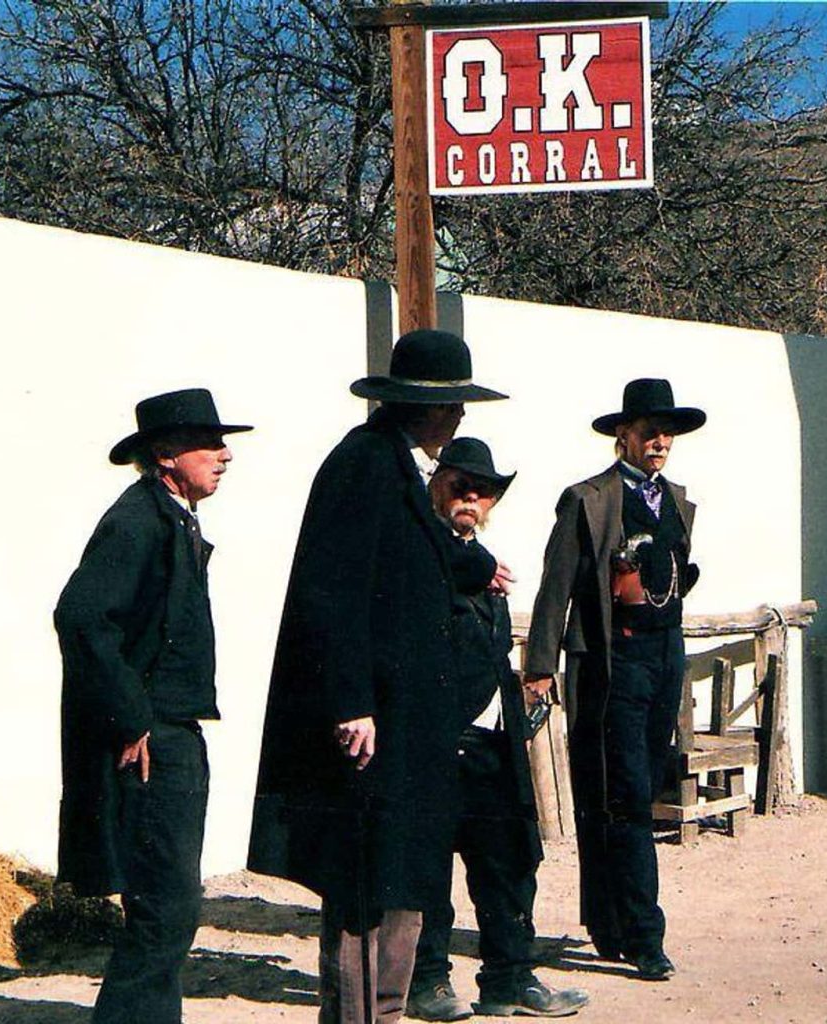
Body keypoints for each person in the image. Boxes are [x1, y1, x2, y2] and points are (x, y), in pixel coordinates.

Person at [248, 330, 507, 1024]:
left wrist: (475, 567)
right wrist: (352, 704)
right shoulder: (364, 464)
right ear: (420, 406)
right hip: (375, 722)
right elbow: (332, 592)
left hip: (408, 721)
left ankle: (383, 1012)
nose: (457, 418)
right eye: (450, 405)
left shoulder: (397, 464)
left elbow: (407, 560)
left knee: (400, 872)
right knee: (367, 879)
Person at [55, 387, 252, 1023]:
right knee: (164, 903)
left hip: (172, 733)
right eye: (209, 444)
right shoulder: (137, 520)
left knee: (169, 903)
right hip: (151, 740)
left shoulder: (170, 516)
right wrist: (130, 716)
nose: (225, 455)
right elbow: (81, 618)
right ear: (166, 454)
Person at [523, 378, 706, 982]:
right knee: (624, 794)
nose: (659, 440)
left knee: (639, 785)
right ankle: (644, 935)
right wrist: (541, 667)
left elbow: (674, 579)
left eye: (667, 431)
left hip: (663, 659)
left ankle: (606, 922)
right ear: (621, 436)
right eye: (648, 430)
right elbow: (557, 586)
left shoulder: (676, 499)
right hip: (611, 662)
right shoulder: (589, 499)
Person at [407, 438, 589, 1022]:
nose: (470, 499)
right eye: (459, 486)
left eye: (481, 492)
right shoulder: (420, 555)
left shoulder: (483, 561)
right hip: (436, 744)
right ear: (436, 488)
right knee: (429, 871)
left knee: (510, 865)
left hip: (491, 742)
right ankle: (427, 982)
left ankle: (509, 979)